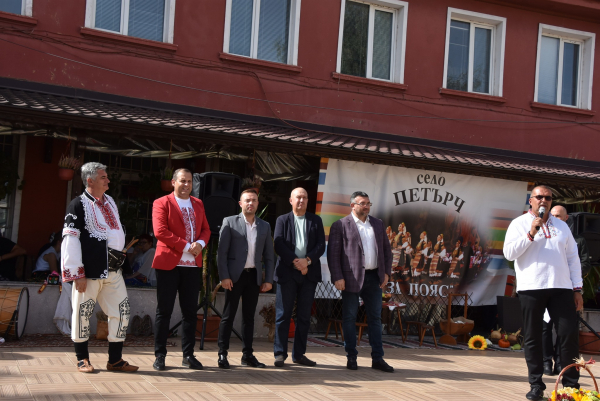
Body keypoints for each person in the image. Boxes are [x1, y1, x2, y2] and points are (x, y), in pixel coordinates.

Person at [503, 185, 583, 401]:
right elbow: (509, 253)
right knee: (533, 337)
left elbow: (573, 258)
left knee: (568, 335)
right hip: (532, 287)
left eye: (548, 198)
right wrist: (531, 233)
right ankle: (536, 385)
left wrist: (577, 289)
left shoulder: (562, 226)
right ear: (531, 200)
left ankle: (571, 387)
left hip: (562, 287)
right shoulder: (519, 223)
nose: (544, 201)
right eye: (539, 197)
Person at [61, 162, 138, 373]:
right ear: (90, 180)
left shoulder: (110, 201)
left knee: (121, 311)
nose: (108, 180)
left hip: (114, 269)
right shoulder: (77, 205)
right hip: (90, 270)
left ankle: (115, 360)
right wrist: (77, 273)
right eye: (103, 177)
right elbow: (70, 240)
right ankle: (82, 359)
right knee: (82, 312)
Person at [327, 191, 393, 372]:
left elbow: (387, 251)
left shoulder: (377, 224)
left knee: (375, 318)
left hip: (374, 278)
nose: (366, 206)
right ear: (352, 205)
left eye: (368, 203)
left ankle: (378, 358)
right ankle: (351, 357)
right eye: (362, 203)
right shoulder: (340, 225)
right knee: (349, 317)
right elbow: (333, 254)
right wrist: (337, 276)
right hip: (351, 278)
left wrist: (386, 273)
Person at [151, 168, 211, 371]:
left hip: (192, 266)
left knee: (190, 312)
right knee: (164, 311)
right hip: (169, 264)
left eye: (189, 181)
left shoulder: (198, 203)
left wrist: (200, 244)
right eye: (182, 181)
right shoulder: (162, 202)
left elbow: (206, 229)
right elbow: (160, 231)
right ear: (173, 182)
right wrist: (186, 246)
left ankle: (188, 355)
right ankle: (160, 355)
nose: (186, 185)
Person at [216, 189, 274, 369]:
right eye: (247, 200)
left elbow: (269, 256)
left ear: (258, 204)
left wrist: (268, 279)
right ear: (240, 203)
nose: (251, 203)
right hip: (234, 277)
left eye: (254, 200)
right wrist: (224, 276)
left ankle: (247, 355)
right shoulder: (230, 222)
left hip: (253, 277)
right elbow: (221, 253)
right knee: (228, 315)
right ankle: (222, 353)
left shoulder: (264, 226)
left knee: (249, 317)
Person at [273, 187, 326, 367]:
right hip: (287, 273)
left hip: (308, 274)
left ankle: (299, 354)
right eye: (298, 197)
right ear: (291, 200)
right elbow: (278, 244)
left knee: (304, 316)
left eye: (304, 197)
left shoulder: (316, 220)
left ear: (308, 200)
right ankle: (280, 354)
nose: (301, 200)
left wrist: (307, 261)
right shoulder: (282, 220)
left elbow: (321, 245)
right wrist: (296, 262)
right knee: (283, 315)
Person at [541, 205, 592, 376]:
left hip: (567, 287)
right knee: (545, 327)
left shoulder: (578, 240)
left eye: (559, 216)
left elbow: (584, 264)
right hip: (546, 286)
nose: (555, 218)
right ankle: (546, 361)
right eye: (553, 215)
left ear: (566, 218)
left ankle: (560, 362)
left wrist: (569, 274)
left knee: (564, 329)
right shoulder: (544, 236)